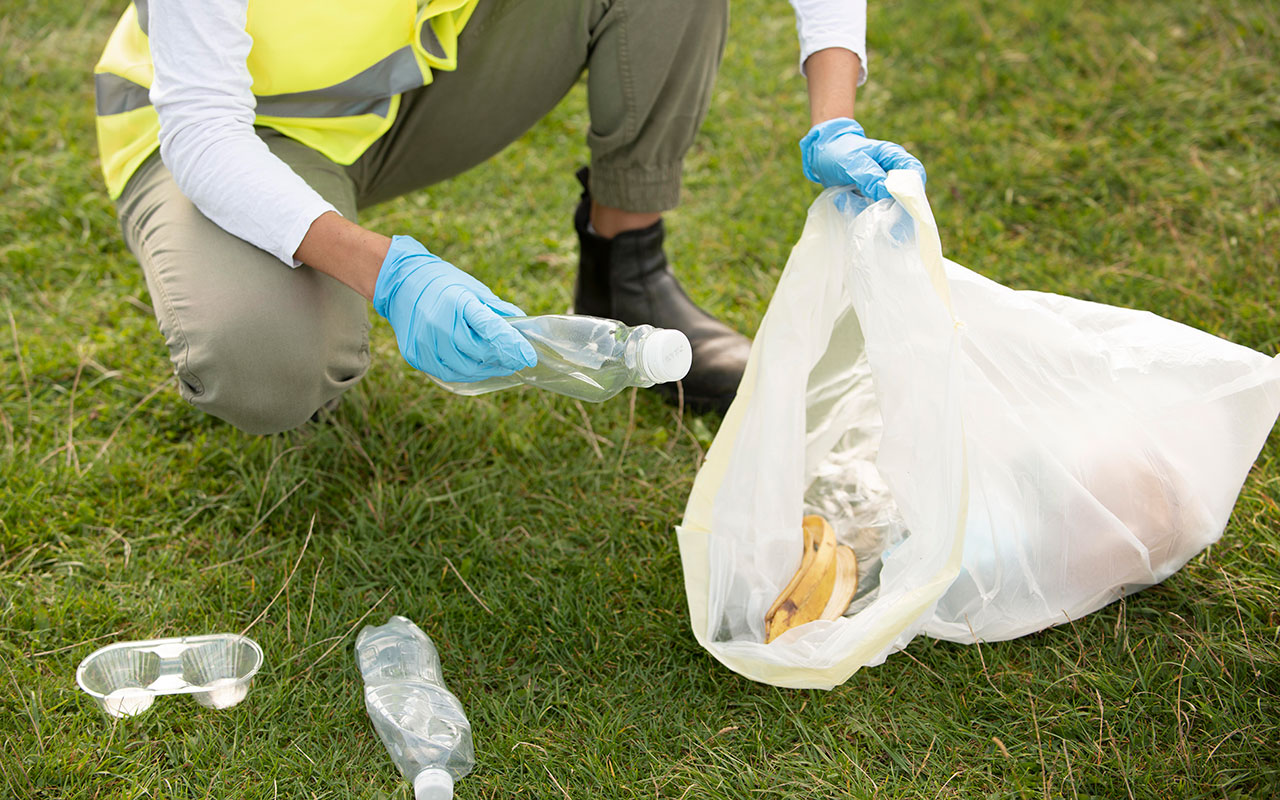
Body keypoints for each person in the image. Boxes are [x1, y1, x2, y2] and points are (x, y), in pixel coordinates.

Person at [93, 0, 926, 434]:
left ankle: (627, 271)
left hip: (404, 86)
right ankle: (296, 299)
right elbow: (204, 131)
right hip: (234, 131)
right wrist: (391, 274)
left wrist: (834, 119)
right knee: (266, 366)